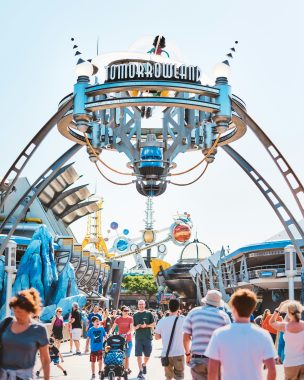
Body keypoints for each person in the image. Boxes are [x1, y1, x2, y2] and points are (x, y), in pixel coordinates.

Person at [205, 289, 277, 380]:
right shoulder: (263, 335)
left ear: (233, 308)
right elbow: (272, 370)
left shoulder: (219, 334)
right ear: (252, 309)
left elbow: (212, 371)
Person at [0, 288, 50, 380]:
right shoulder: (6, 323)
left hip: (24, 377)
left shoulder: (39, 330)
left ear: (30, 311)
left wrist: (47, 378)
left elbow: (45, 359)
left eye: (20, 312)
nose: (16, 315)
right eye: (14, 310)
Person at [183, 290, 230, 380]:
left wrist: (188, 353)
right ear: (218, 303)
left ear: (206, 301)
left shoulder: (193, 312)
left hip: (197, 359)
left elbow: (186, 336)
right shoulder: (224, 316)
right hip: (216, 360)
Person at [269, 300, 304, 379]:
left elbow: (271, 322)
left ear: (288, 313)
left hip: (290, 363)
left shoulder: (285, 326)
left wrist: (279, 308)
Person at [155, 299, 185, 380]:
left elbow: (157, 337)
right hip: (179, 352)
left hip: (166, 353)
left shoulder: (162, 321)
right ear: (178, 308)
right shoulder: (183, 320)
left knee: (168, 377)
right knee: (179, 376)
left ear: (169, 307)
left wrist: (164, 335)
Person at [133, 299, 156, 379]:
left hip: (147, 338)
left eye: (142, 304)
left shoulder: (149, 313)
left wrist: (146, 326)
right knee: (138, 355)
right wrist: (137, 327)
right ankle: (140, 371)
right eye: (139, 304)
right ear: (138, 305)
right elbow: (133, 327)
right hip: (138, 338)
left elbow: (154, 324)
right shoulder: (135, 315)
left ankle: (144, 364)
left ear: (145, 305)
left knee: (147, 355)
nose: (141, 306)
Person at [110, 305, 134, 374]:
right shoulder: (118, 319)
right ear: (122, 311)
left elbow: (131, 328)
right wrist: (109, 334)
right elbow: (113, 328)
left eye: (127, 311)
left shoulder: (130, 318)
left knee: (127, 356)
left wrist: (126, 334)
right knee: (121, 356)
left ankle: (125, 371)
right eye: (125, 311)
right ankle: (123, 370)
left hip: (128, 340)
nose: (126, 312)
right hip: (120, 341)